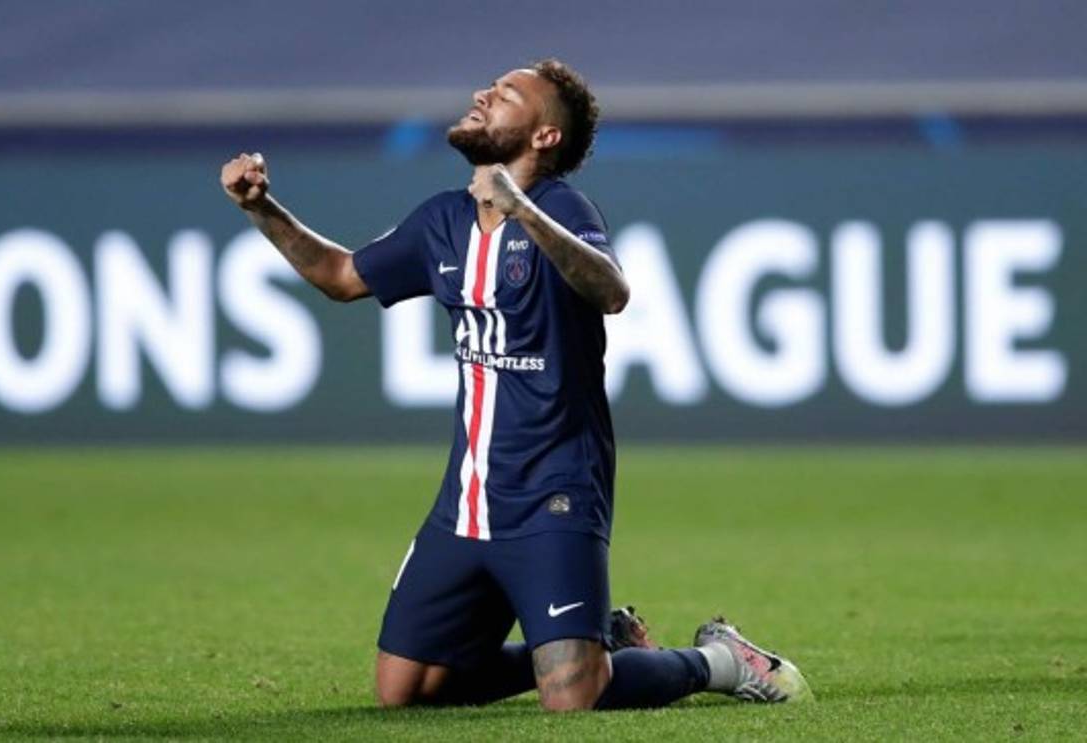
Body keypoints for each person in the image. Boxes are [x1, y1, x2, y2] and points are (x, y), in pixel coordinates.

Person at [220, 59, 811, 711]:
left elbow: (610, 290)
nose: (481, 95)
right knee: (406, 691)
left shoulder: (562, 209)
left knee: (574, 698)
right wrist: (261, 207)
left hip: (553, 494)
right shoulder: (441, 221)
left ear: (544, 137)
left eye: (505, 95)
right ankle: (600, 642)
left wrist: (523, 209)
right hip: (465, 502)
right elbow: (340, 275)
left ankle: (719, 659)